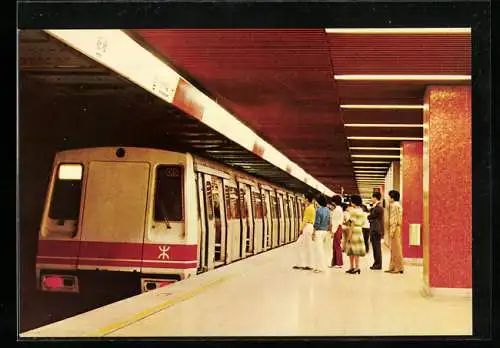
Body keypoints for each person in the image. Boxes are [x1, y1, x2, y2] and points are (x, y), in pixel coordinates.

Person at [293, 192, 315, 270]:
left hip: (307, 227)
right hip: (309, 227)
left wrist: (301, 229)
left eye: (303, 197)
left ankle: (308, 265)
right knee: (302, 245)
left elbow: (305, 220)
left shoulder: (309, 208)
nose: (303, 199)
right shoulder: (312, 207)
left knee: (305, 246)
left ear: (306, 199)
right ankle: (301, 263)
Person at [345, 195, 367, 274]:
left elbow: (352, 224)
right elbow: (364, 222)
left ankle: (352, 267)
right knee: (356, 250)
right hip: (359, 230)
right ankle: (357, 267)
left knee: (351, 250)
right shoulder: (361, 211)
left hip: (354, 230)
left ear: (354, 202)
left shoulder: (354, 211)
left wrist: (349, 235)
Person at [386, 190, 404, 274]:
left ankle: (397, 267)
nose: (388, 198)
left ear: (392, 198)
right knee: (394, 249)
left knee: (396, 249)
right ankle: (393, 267)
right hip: (396, 228)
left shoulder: (394, 206)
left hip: (395, 228)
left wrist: (392, 231)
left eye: (389, 196)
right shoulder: (396, 205)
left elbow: (394, 219)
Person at [312, 194, 330, 273]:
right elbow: (329, 221)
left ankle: (319, 267)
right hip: (325, 231)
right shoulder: (327, 210)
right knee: (322, 249)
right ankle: (322, 266)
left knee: (318, 249)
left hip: (319, 231)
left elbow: (317, 223)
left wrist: (313, 232)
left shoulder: (318, 210)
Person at [368, 191, 384, 270]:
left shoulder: (378, 207)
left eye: (372, 197)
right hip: (375, 229)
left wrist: (369, 215)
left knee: (376, 248)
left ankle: (378, 264)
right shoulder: (376, 207)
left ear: (375, 198)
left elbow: (371, 216)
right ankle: (376, 263)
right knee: (375, 247)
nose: (371, 199)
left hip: (376, 230)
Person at [329, 195, 344, 268]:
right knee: (335, 246)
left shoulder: (337, 210)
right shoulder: (339, 209)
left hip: (337, 228)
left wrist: (333, 231)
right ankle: (334, 262)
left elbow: (335, 221)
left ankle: (339, 263)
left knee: (337, 246)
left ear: (334, 202)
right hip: (338, 228)